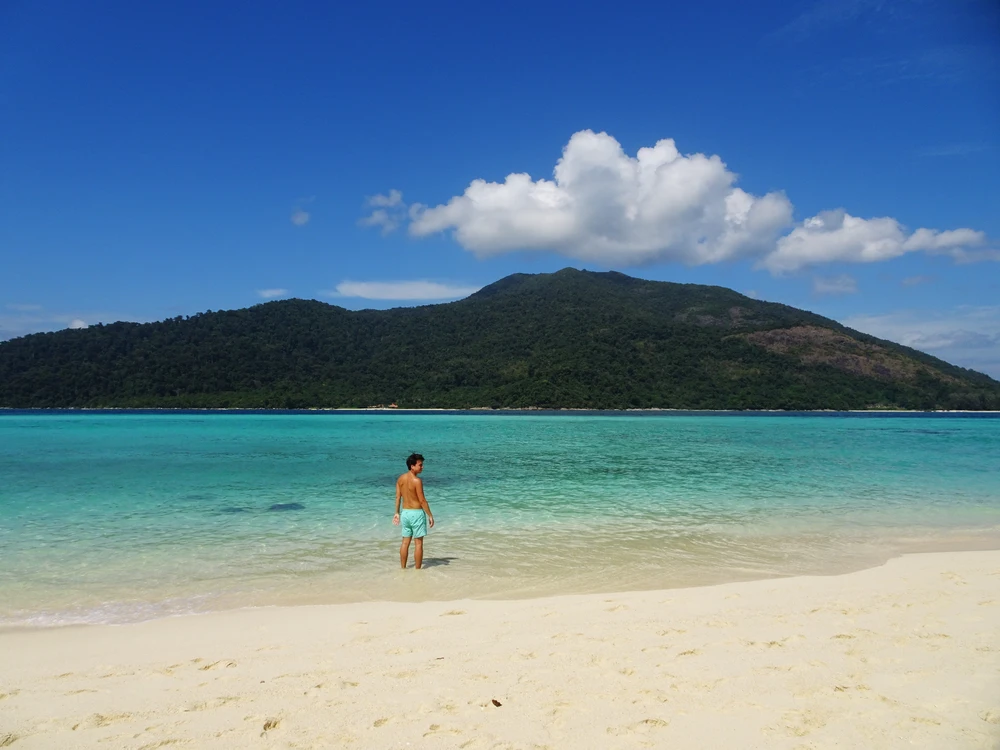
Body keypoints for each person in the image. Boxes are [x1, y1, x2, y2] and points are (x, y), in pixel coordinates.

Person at [393, 453, 434, 569]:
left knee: (405, 542)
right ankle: (418, 571)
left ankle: (403, 568)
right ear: (412, 466)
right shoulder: (417, 481)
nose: (422, 467)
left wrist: (397, 513)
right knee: (418, 544)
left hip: (405, 513)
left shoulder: (400, 479)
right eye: (420, 465)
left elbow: (398, 497)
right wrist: (430, 515)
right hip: (416, 514)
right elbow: (422, 501)